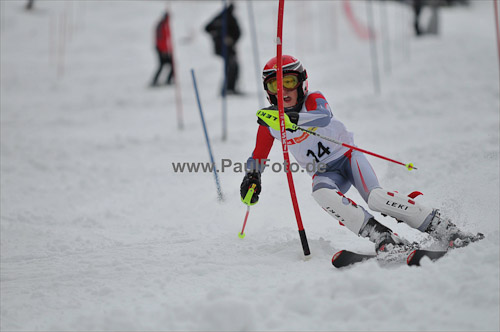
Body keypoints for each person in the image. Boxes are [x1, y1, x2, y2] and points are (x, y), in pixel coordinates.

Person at [240, 55, 483, 254]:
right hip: (325, 173)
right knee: (321, 193)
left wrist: (292, 119)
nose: (283, 91)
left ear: (302, 83)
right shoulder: (270, 122)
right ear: (268, 91)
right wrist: (253, 177)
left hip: (348, 159)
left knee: (375, 199)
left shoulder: (314, 100)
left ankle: (441, 227)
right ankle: (382, 236)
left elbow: (324, 116)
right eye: (275, 85)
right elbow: (258, 155)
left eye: (289, 82)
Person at [205, 3, 241, 95]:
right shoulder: (224, 18)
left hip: (227, 48)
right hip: (223, 48)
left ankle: (229, 88)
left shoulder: (224, 17)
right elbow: (207, 28)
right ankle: (228, 89)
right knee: (231, 67)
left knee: (232, 67)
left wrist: (231, 39)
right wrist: (217, 36)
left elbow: (238, 33)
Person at [151, 12, 174, 87]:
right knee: (166, 65)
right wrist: (164, 51)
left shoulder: (163, 25)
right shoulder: (162, 26)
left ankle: (166, 80)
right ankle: (163, 81)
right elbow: (161, 40)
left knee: (168, 65)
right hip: (161, 49)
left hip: (163, 49)